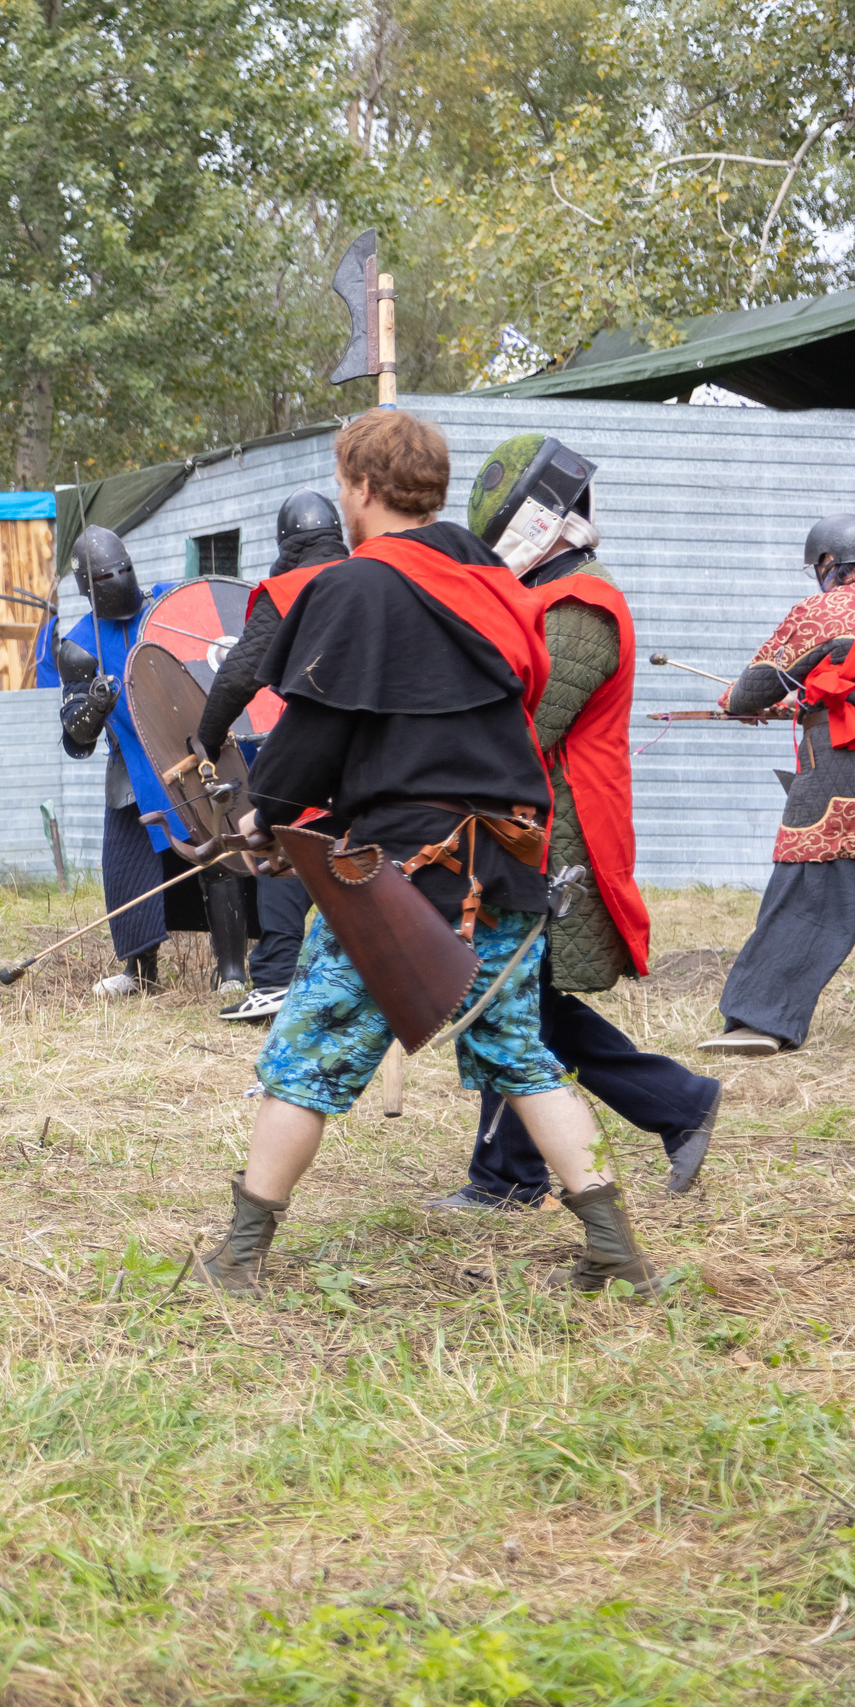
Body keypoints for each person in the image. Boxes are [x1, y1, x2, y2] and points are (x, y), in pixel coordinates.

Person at [196, 408, 663, 1298]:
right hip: (507, 856)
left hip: (401, 875)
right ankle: (615, 1248)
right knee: (521, 1053)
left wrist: (264, 815)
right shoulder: (491, 577)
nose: (344, 496)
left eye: (344, 482)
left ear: (363, 488)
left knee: (306, 1052)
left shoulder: (357, 585)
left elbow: (316, 727)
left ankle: (239, 1257)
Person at [425, 434, 721, 1206]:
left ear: (540, 525)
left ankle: (669, 1106)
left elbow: (524, 729)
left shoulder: (582, 602)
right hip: (535, 824)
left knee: (519, 996)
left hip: (565, 833)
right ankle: (516, 1171)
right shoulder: (541, 600)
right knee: (519, 996)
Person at [38, 527, 252, 995]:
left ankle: (232, 970)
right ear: (88, 588)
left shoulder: (168, 605)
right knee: (130, 865)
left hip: (193, 748)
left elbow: (217, 655)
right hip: (131, 762)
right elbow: (77, 739)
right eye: (106, 575)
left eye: (123, 570)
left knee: (217, 851)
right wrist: (93, 704)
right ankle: (139, 972)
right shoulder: (79, 646)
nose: (118, 579)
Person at [700, 513, 855, 1057]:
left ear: (830, 564)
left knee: (810, 894)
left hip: (841, 781)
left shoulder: (823, 611)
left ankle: (760, 1020)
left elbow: (750, 692)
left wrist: (739, 702)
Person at [197, 491, 350, 1021]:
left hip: (320, 737)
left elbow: (239, 673)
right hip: (390, 751)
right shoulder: (376, 574)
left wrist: (208, 738)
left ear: (286, 544)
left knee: (278, 830)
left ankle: (278, 979)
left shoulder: (287, 588)